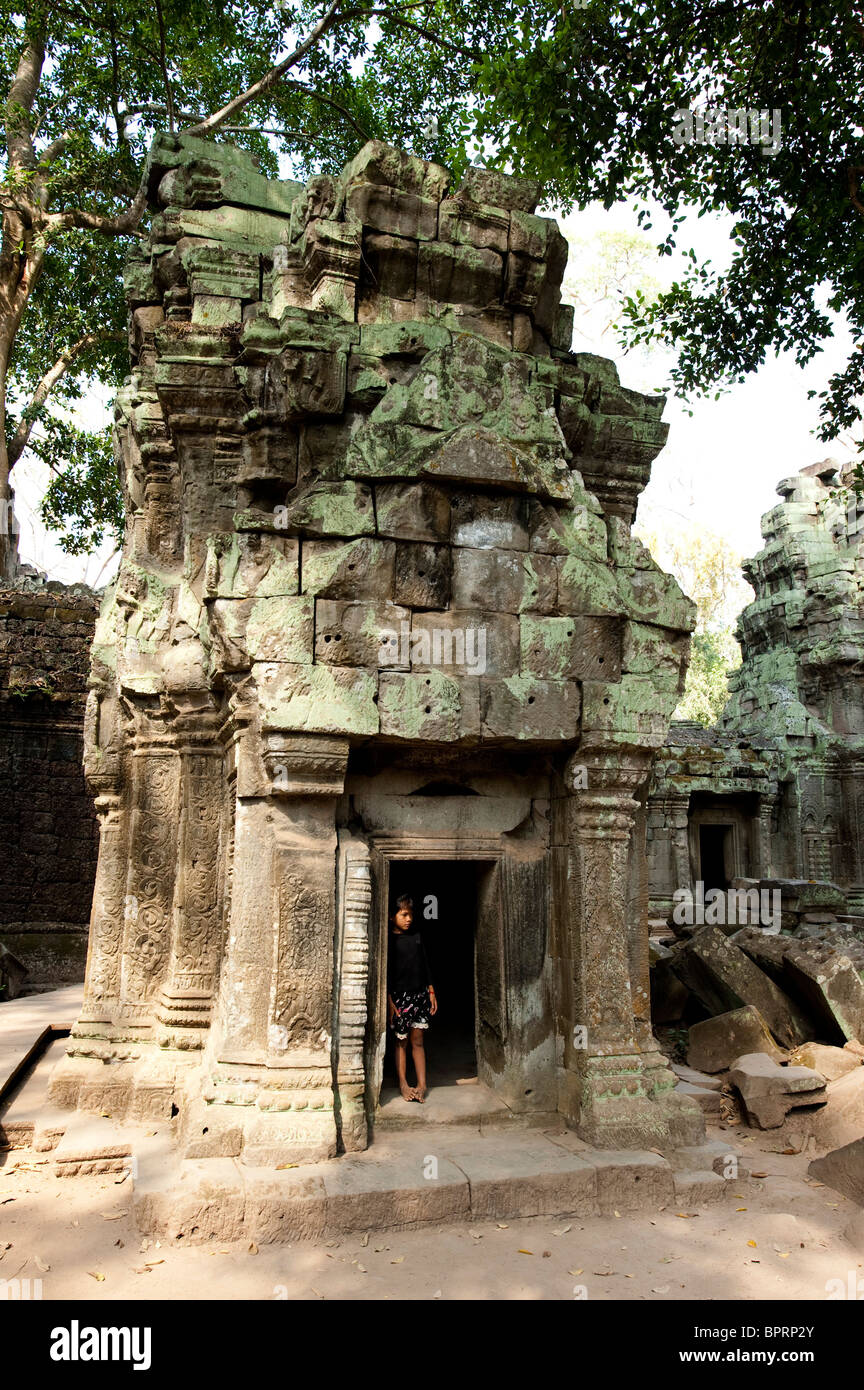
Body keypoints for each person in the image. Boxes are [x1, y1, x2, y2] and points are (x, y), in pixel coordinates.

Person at [387, 894, 437, 1102]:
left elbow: (425, 965)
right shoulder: (389, 941)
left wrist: (431, 991)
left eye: (410, 915)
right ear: (392, 916)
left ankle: (422, 1084)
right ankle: (403, 1083)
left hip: (420, 995)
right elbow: (387, 973)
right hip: (399, 997)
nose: (409, 919)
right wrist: (389, 1001)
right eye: (403, 915)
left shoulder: (416, 936)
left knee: (418, 1040)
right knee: (401, 1041)